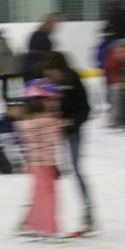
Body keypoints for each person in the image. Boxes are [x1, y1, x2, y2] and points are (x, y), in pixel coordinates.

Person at [41, 51, 94, 231]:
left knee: (76, 168)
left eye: (53, 74)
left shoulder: (75, 81)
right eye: (47, 75)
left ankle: (88, 209)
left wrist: (70, 122)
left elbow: (85, 110)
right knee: (43, 169)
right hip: (50, 130)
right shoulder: (46, 82)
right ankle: (39, 212)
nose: (51, 78)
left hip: (72, 130)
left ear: (62, 70)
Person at [14, 79, 67, 237]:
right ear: (38, 101)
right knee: (49, 196)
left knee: (39, 194)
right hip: (45, 164)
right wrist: (54, 165)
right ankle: (50, 229)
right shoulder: (49, 122)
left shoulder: (25, 122)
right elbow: (53, 141)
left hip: (34, 164)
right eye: (50, 100)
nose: (55, 104)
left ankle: (32, 224)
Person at [21, 14, 61, 82]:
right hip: (36, 70)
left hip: (29, 68)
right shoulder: (44, 38)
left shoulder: (36, 35)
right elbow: (45, 57)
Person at [104, 39, 125, 127]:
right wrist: (119, 83)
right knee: (116, 94)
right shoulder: (112, 63)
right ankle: (117, 120)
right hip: (117, 87)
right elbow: (111, 77)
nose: (121, 54)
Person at [0, 29, 19, 103]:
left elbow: (2, 59)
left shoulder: (3, 45)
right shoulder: (2, 44)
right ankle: (6, 96)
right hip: (6, 69)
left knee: (6, 83)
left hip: (6, 69)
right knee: (6, 83)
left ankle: (7, 96)